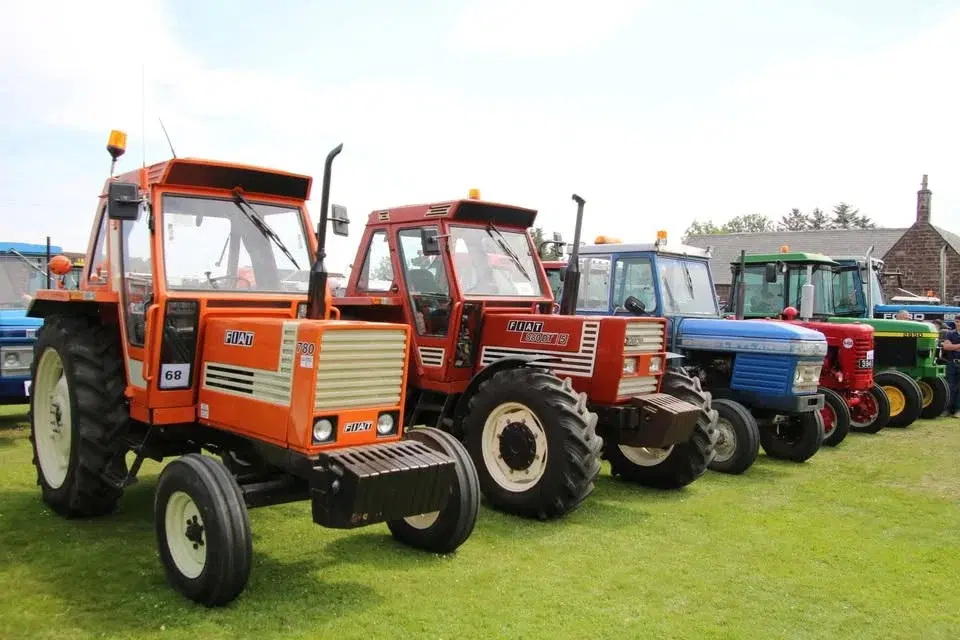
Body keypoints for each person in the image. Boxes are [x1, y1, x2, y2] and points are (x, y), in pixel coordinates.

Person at [941, 321, 960, 418]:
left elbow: (950, 346)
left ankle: (958, 410)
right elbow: (946, 347)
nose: (958, 324)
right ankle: (947, 409)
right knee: (950, 386)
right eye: (957, 322)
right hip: (952, 363)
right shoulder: (950, 333)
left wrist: (953, 346)